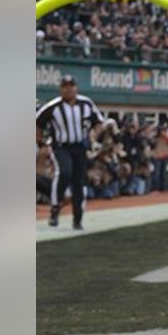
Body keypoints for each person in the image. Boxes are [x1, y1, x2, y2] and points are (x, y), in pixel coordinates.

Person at [36, 74, 106, 230]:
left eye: (71, 86)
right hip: (61, 146)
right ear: (61, 89)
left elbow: (100, 122)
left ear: (76, 87)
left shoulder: (86, 103)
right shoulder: (53, 107)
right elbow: (37, 123)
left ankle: (78, 217)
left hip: (80, 146)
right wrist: (41, 143)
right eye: (65, 86)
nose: (69, 89)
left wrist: (93, 136)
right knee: (65, 172)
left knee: (79, 182)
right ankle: (55, 206)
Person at [149, 124, 168, 192]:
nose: (164, 132)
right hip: (157, 157)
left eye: (165, 130)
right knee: (157, 173)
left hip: (165, 157)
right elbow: (151, 143)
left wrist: (164, 136)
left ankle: (162, 188)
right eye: (162, 130)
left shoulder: (167, 138)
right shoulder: (155, 138)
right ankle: (154, 188)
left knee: (163, 174)